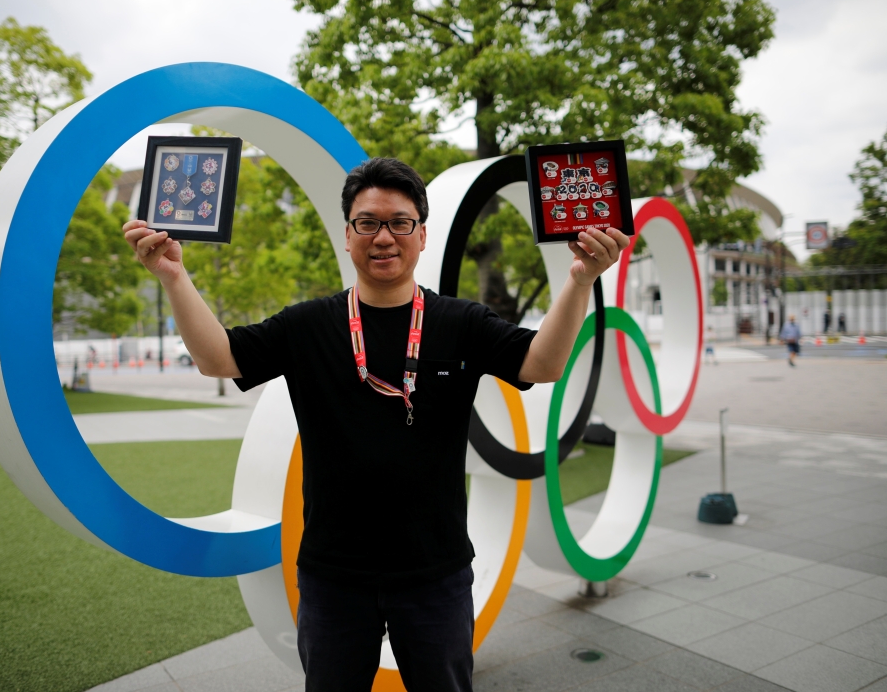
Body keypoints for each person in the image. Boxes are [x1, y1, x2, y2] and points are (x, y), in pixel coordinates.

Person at [121, 157, 629, 692]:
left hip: (436, 574)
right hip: (333, 577)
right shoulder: (308, 325)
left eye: (399, 222)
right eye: (368, 222)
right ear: (348, 235)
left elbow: (543, 365)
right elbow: (218, 358)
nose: (384, 237)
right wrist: (173, 277)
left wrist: (581, 280)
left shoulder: (460, 323)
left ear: (422, 234)